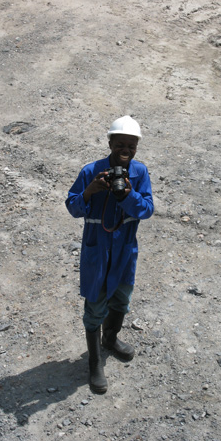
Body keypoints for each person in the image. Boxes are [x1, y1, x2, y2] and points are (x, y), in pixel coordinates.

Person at [65, 116, 154, 393]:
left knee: (121, 297)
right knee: (95, 303)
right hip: (98, 250)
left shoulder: (139, 173)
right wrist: (91, 190)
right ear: (110, 143)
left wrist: (128, 194)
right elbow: (73, 207)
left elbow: (147, 210)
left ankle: (110, 339)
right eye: (120, 144)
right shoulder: (91, 170)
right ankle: (94, 361)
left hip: (126, 249)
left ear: (137, 147)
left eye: (131, 145)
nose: (125, 150)